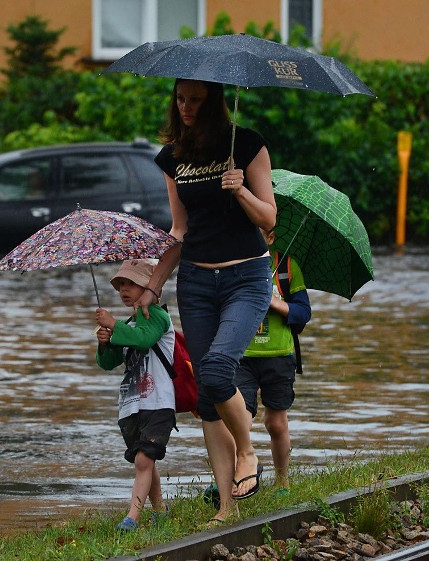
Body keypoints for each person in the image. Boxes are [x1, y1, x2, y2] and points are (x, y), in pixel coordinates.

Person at [134, 78, 277, 526]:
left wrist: (239, 189)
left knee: (217, 370)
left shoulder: (248, 145)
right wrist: (153, 286)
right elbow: (179, 230)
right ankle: (225, 509)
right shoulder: (173, 157)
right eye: (180, 99)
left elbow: (269, 217)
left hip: (246, 278)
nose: (186, 106)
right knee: (207, 401)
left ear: (214, 101)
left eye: (195, 100)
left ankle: (248, 452)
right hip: (196, 282)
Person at [205, 245, 311, 509]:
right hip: (242, 354)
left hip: (279, 356)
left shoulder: (286, 266)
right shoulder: (232, 261)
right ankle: (230, 477)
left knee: (276, 423)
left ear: (271, 235)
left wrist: (275, 302)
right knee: (238, 417)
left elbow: (303, 313)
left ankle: (282, 482)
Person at [95, 258, 176, 532]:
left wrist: (114, 325)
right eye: (120, 285)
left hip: (158, 401)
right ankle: (161, 510)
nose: (124, 290)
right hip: (132, 404)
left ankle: (132, 517)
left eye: (131, 283)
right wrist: (105, 343)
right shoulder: (127, 325)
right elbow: (108, 363)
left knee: (144, 457)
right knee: (144, 460)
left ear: (151, 287)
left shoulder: (158, 317)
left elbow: (143, 339)